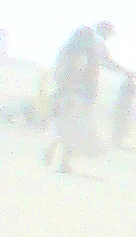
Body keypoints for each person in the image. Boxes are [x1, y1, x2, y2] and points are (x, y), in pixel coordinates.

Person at [42, 21, 117, 173]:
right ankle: (63, 161)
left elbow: (59, 74)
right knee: (75, 131)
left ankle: (53, 151)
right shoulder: (87, 56)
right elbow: (89, 76)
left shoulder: (65, 52)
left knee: (64, 128)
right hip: (79, 96)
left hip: (63, 95)